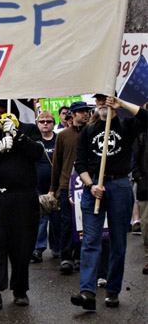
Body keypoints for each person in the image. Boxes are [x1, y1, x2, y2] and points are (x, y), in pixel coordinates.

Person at [70, 95, 147, 310]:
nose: (102, 102)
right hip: (94, 187)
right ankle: (87, 292)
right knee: (91, 240)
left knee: (118, 243)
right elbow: (80, 163)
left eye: (106, 98)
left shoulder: (126, 125)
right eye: (99, 99)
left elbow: (146, 118)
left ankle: (113, 290)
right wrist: (90, 185)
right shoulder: (89, 130)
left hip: (120, 186)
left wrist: (122, 105)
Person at [0, 100, 43, 309]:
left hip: (23, 197)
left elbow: (37, 153)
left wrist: (19, 137)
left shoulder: (29, 129)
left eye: (2, 112)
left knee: (21, 246)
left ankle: (20, 290)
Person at [49, 101, 89, 275]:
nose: (85, 114)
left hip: (87, 184)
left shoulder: (91, 132)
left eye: (86, 111)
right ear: (72, 115)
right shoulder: (63, 135)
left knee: (84, 222)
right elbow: (57, 163)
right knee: (67, 222)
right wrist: (54, 188)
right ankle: (66, 257)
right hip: (67, 184)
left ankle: (80, 256)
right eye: (80, 112)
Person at [31, 110, 60, 263]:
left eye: (49, 121)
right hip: (38, 186)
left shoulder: (58, 140)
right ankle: (38, 248)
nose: (45, 124)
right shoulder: (35, 141)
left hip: (56, 187)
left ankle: (57, 248)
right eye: (42, 121)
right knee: (40, 218)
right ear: (37, 123)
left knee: (56, 219)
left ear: (53, 123)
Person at [132, 101, 148, 275]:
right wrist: (139, 177)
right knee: (146, 224)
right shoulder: (142, 133)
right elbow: (135, 159)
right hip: (145, 185)